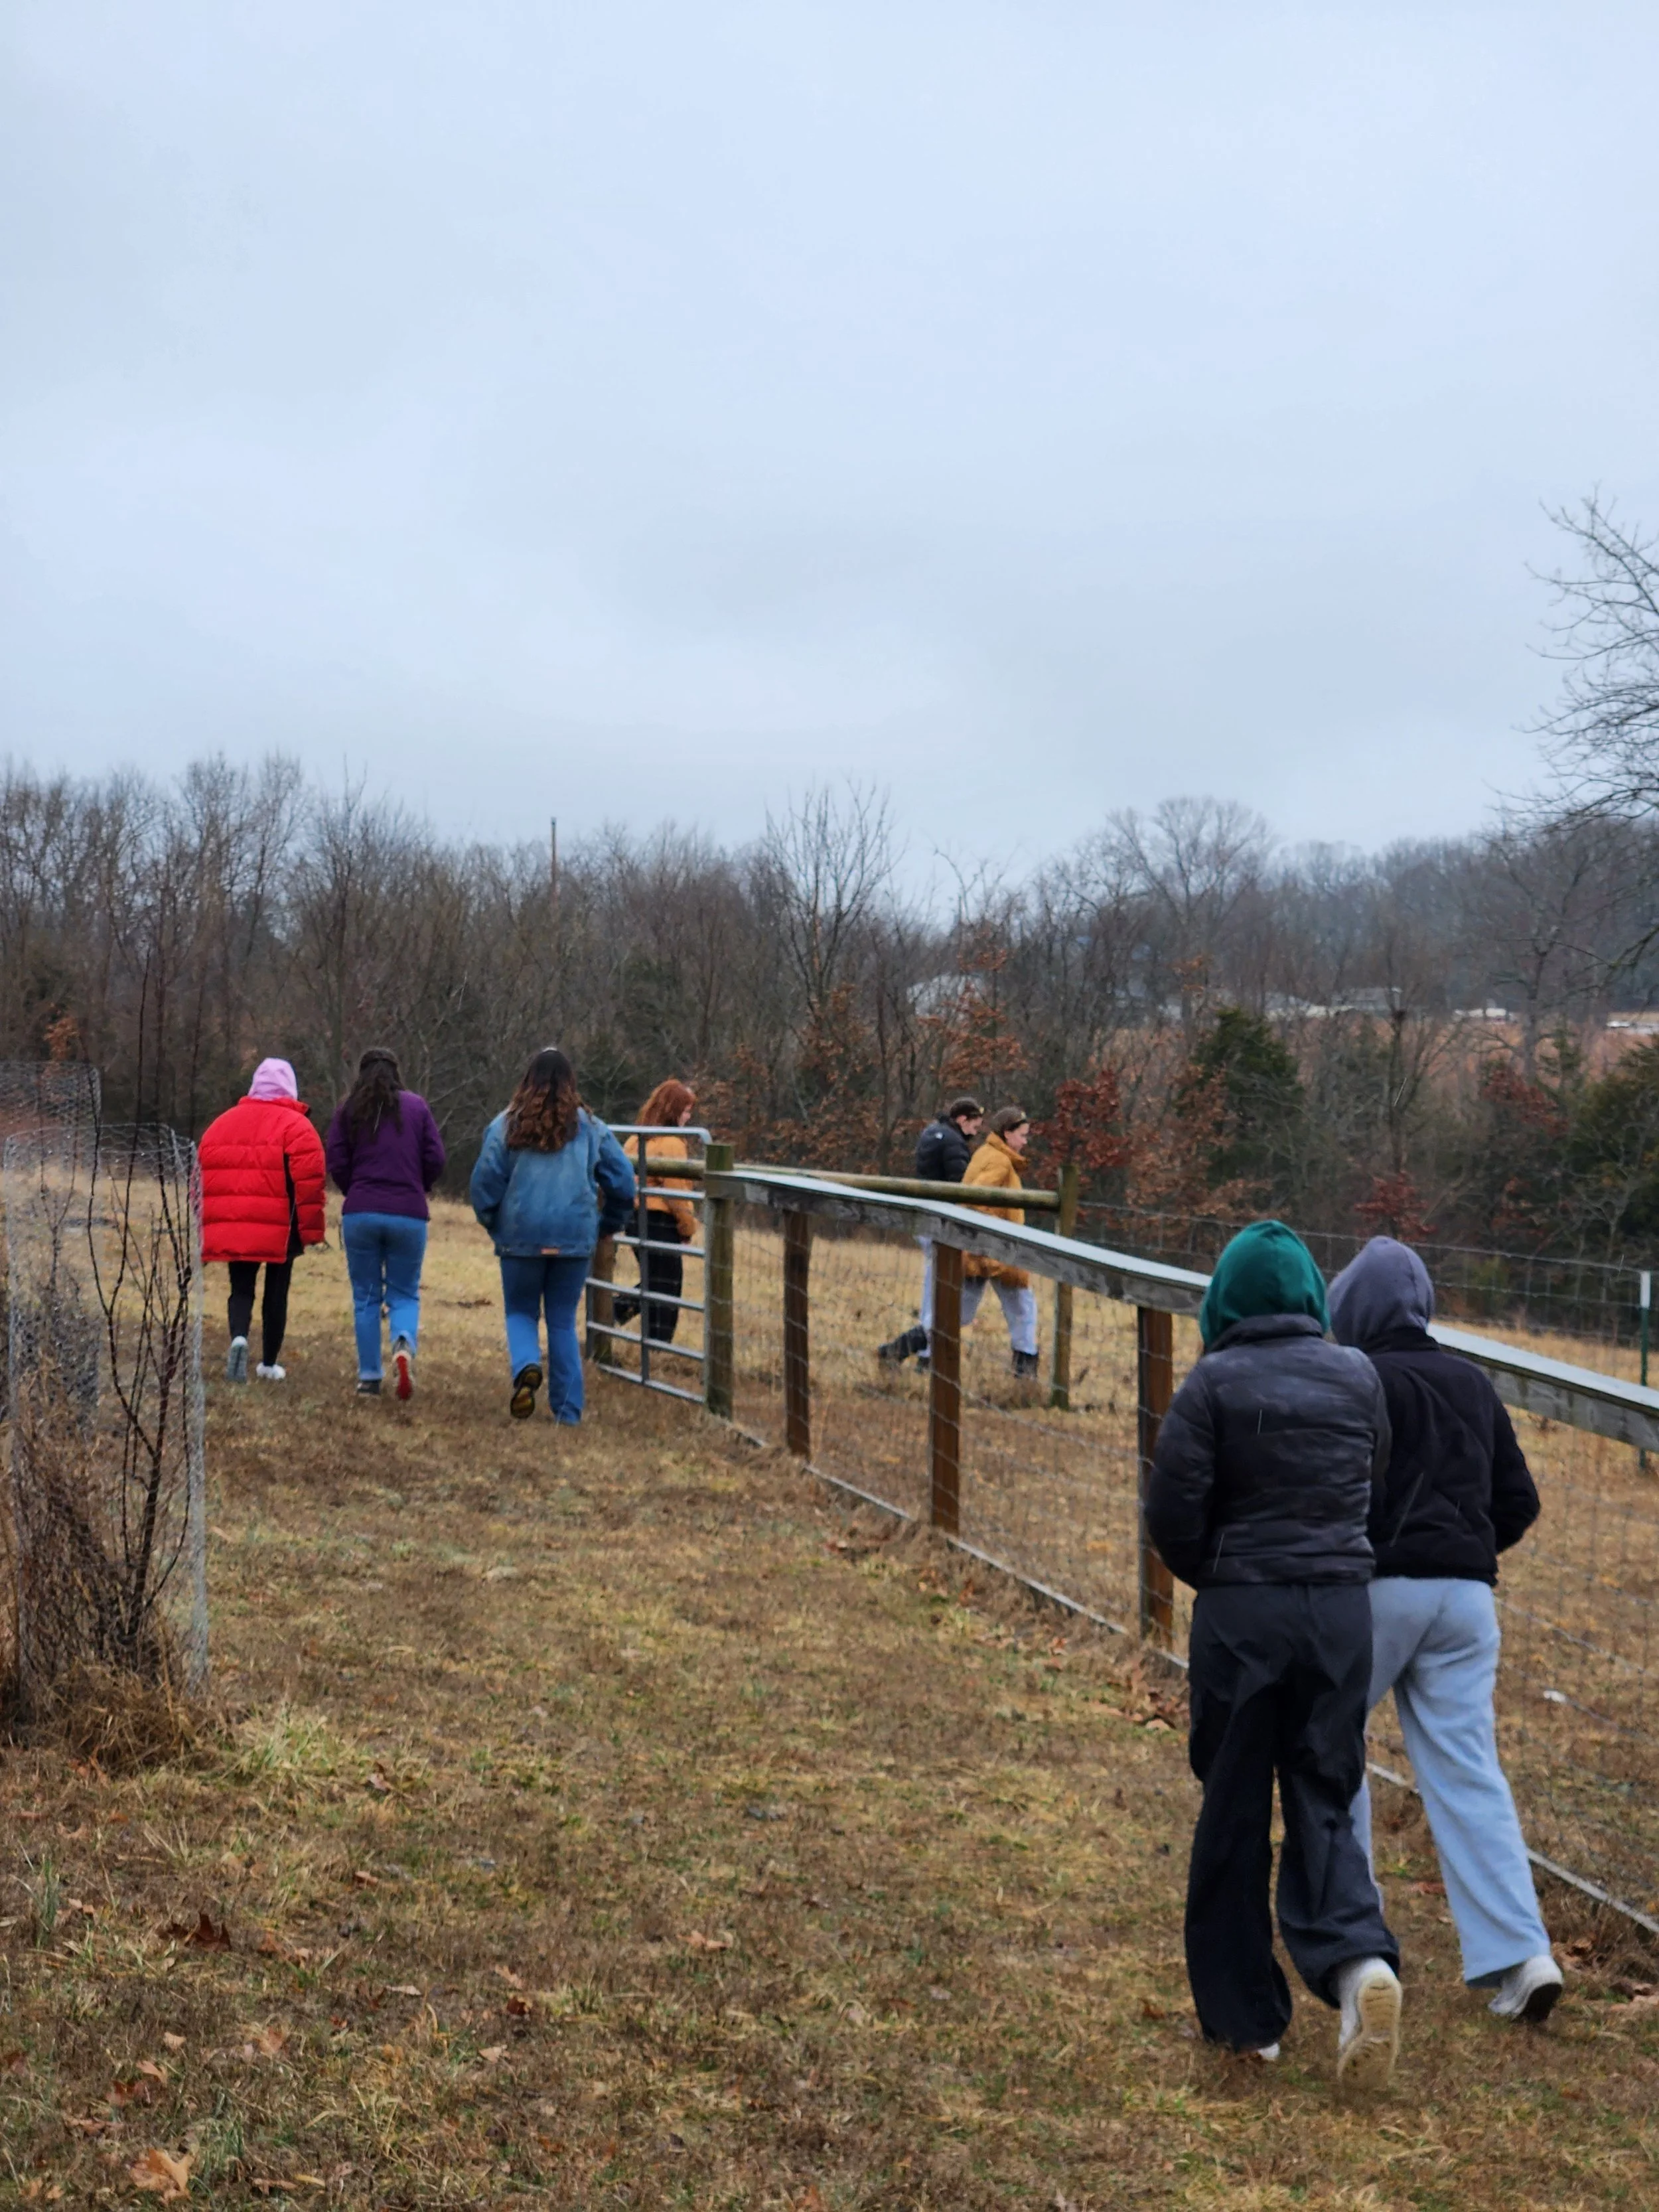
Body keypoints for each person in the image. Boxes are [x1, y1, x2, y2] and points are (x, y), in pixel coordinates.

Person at [1145, 1219, 1404, 2087]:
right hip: (1339, 1613)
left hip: (1242, 1616)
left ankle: (1246, 2021)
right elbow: (1379, 1491)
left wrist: (1221, 1577)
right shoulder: (1361, 1377)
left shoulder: (1212, 1382)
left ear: (1224, 1297)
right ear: (1308, 1296)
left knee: (1233, 1806)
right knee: (1324, 1789)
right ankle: (1359, 1960)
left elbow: (1172, 1513)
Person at [1329, 1236, 1560, 2025]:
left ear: (1349, 1311)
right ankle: (1522, 1955)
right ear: (1422, 1305)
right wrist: (1462, 1548)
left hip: (1374, 1590)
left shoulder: (1355, 1378)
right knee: (1469, 1770)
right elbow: (1519, 1501)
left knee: (1334, 1750)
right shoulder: (1471, 1381)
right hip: (1466, 1598)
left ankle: (1357, 1948)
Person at [469, 1047, 635, 1424]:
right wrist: (609, 1223)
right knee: (562, 1321)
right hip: (574, 1237)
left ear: (528, 1079)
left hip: (520, 1236)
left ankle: (527, 1365)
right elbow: (623, 1181)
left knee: (521, 1312)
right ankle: (568, 1411)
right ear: (571, 1082)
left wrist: (495, 1222)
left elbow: (484, 1184)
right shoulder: (592, 1127)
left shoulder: (505, 1125)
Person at [325, 1048, 447, 1402]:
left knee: (365, 1297)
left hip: (361, 1212)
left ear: (361, 1074)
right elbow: (436, 1158)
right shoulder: (417, 1107)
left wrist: (355, 1189)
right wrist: (417, 1185)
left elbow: (336, 1158)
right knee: (405, 1292)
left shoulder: (348, 1110)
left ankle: (369, 1378)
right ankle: (404, 1343)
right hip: (408, 1213)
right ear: (397, 1072)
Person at [198, 1057, 327, 1383]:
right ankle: (269, 1363)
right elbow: (311, 1183)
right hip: (282, 1226)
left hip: (234, 1223)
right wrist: (312, 1231)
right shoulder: (297, 1126)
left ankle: (239, 1338)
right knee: (276, 1291)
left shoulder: (222, 1124)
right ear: (290, 1089)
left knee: (240, 1288)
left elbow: (201, 1179)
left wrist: (204, 1225)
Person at [876, 1096, 983, 1367]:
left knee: (932, 1288)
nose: (976, 1131)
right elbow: (960, 1185)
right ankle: (908, 1350)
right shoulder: (953, 1143)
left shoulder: (931, 1133)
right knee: (943, 1292)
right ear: (963, 1119)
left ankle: (924, 1356)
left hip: (926, 1219)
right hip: (942, 1223)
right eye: (975, 1125)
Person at [613, 1078, 699, 1345]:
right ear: (674, 1112)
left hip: (634, 1218)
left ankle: (614, 1313)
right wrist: (687, 1226)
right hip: (660, 1221)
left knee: (655, 1281)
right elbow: (677, 1194)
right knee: (667, 1287)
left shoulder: (635, 1140)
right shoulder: (672, 1144)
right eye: (686, 1111)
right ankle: (656, 1343)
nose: (689, 1117)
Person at [958, 1106, 1040, 1378]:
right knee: (1023, 1309)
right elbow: (979, 1202)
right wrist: (993, 1247)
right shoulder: (1000, 1162)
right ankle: (1025, 1376)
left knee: (957, 1313)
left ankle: (904, 1351)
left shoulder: (987, 1153)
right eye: (1023, 1135)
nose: (1026, 1142)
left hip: (979, 1250)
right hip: (997, 1252)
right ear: (1008, 1134)